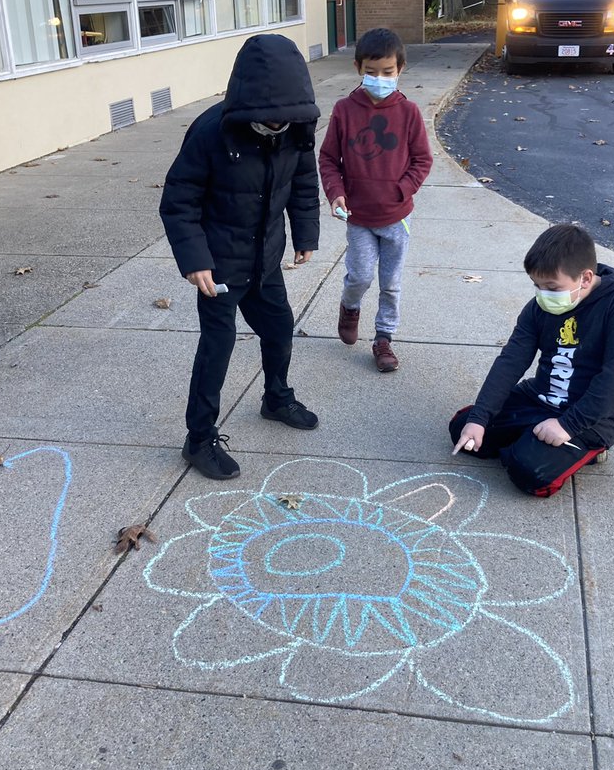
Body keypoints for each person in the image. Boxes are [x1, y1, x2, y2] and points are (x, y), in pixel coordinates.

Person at [160, 34, 321, 481]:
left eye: (284, 122)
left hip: (266, 258)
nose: (277, 129)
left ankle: (276, 397)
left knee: (279, 328)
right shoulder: (212, 131)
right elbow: (179, 201)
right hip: (220, 265)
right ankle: (199, 438)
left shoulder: (296, 129)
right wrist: (195, 260)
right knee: (218, 346)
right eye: (269, 123)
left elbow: (304, 185)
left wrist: (305, 234)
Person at [450, 224, 614, 497]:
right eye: (537, 286)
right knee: (464, 427)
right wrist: (481, 418)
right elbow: (511, 360)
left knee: (529, 473)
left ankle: (585, 451)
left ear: (586, 278)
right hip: (540, 398)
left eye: (551, 287)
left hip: (593, 418)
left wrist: (568, 426)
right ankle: (529, 438)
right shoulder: (539, 306)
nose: (543, 294)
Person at [319, 27, 433, 372]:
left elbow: (422, 160)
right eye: (371, 72)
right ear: (358, 68)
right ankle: (349, 307)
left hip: (397, 216)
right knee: (360, 277)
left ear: (400, 70)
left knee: (391, 284)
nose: (380, 78)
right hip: (359, 217)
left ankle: (384, 338)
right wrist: (336, 193)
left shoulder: (409, 113)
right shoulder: (344, 110)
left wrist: (402, 190)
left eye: (387, 72)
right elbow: (328, 159)